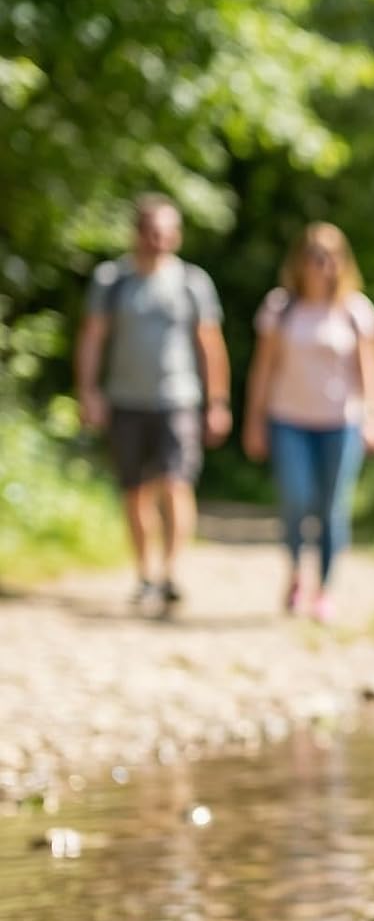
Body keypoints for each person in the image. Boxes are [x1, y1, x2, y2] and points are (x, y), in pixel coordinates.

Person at [75, 194, 232, 611]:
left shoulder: (192, 282)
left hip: (179, 399)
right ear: (136, 233)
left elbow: (210, 345)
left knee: (177, 483)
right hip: (125, 399)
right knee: (135, 491)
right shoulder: (112, 281)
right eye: (150, 231)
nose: (158, 240)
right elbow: (93, 338)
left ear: (176, 235)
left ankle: (171, 572)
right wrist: (88, 392)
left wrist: (217, 402)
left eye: (165, 232)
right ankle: (145, 573)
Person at [242, 223, 374, 623]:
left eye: (329, 256)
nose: (321, 265)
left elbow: (370, 371)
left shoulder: (356, 310)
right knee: (295, 500)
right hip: (287, 420)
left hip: (342, 424)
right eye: (313, 256)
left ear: (341, 262)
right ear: (299, 261)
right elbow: (263, 370)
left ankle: (323, 590)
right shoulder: (280, 308)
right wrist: (253, 422)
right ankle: (294, 573)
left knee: (331, 508)